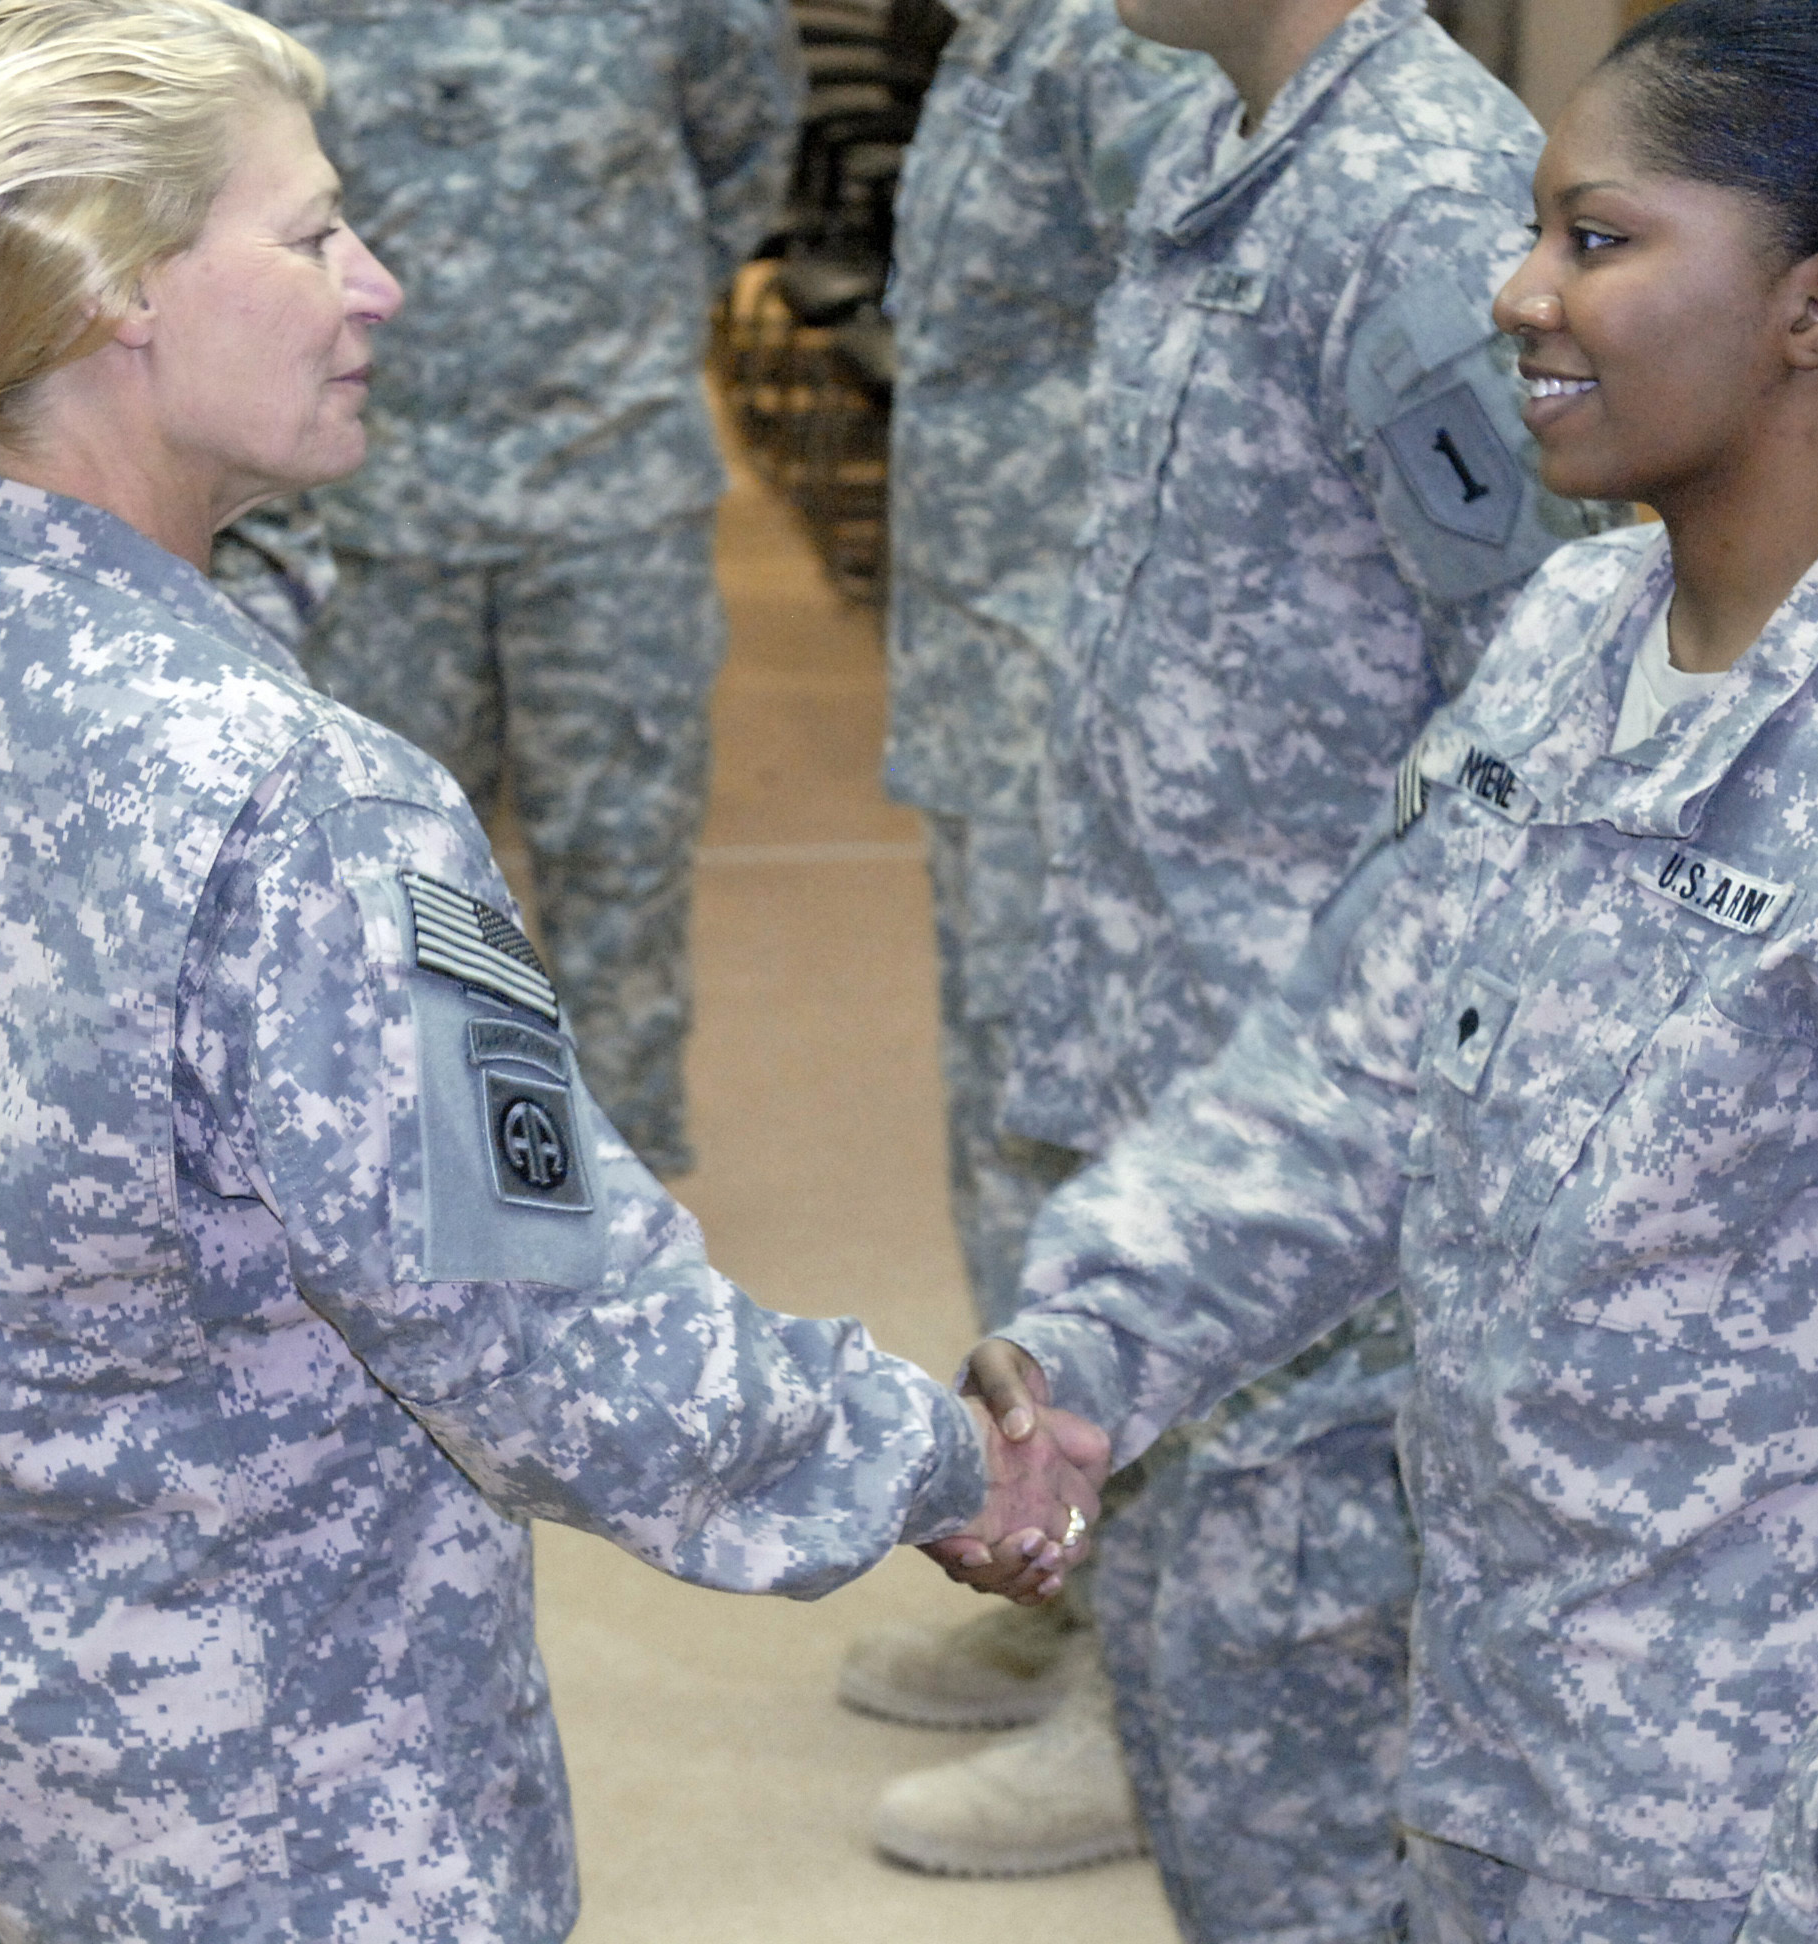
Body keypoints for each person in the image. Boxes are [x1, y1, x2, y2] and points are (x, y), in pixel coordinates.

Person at [0, 5, 1101, 1936]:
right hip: (284, 1802)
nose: (382, 284)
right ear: (118, 288)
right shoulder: (301, 801)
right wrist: (936, 1455)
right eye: (312, 238)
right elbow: (556, 1341)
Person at [953, 2, 1818, 1937]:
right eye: (1539, 230)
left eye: (1597, 239)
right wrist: (1089, 1354)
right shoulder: (1569, 639)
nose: (1519, 290)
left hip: (1782, 1841)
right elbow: (1350, 1077)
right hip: (1514, 1755)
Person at [881, 0, 1591, 1914]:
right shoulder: (1226, 142)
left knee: (1299, 1683)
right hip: (1176, 1028)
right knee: (1216, 1648)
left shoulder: (1417, 196)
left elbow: (1538, 672)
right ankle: (1130, 1688)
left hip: (1311, 1094)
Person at [837, 0, 1207, 1757]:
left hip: (1092, 695)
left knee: (1097, 1167)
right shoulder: (1006, 27)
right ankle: (1065, 1584)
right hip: (996, 674)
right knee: (1009, 1148)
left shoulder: (1128, 44)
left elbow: (1211, 350)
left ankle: (1150, 1673)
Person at [270, 0, 801, 1181]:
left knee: (620, 872)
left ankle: (619, 1216)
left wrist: (617, 328)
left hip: (611, 502)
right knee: (380, 892)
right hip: (373, 504)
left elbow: (746, 151)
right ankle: (413, 1210)